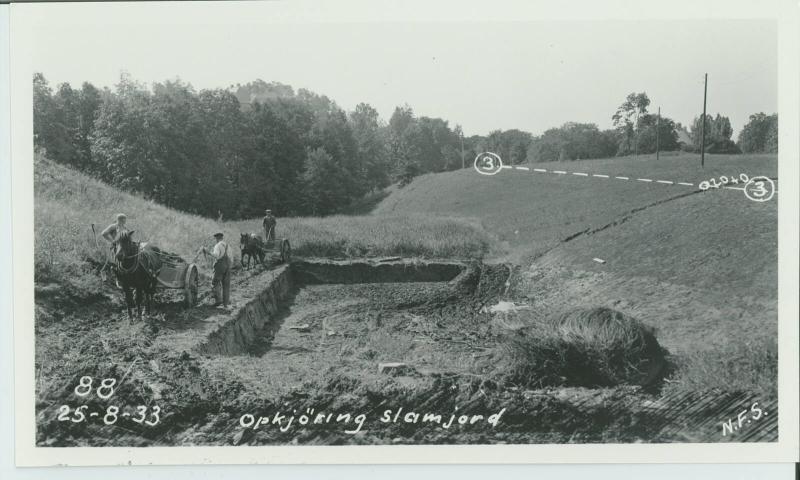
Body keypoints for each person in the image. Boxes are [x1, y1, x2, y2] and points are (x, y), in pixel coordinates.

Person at [203, 232, 231, 308]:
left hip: (220, 265)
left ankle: (218, 300)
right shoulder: (227, 245)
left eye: (216, 238)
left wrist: (208, 252)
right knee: (226, 284)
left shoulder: (218, 245)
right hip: (228, 265)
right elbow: (231, 257)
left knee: (215, 281)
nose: (215, 240)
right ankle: (226, 303)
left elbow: (216, 255)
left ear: (217, 238)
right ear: (222, 238)